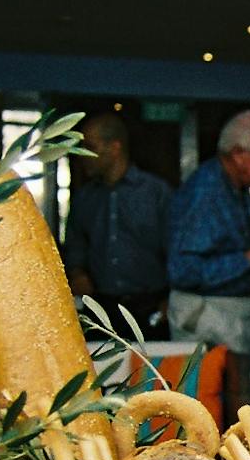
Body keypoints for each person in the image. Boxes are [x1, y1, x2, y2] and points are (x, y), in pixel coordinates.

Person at [167, 110, 250, 415]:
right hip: (208, 318)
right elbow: (183, 271)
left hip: (231, 318)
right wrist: (248, 258)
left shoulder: (236, 189)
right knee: (212, 410)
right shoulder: (205, 194)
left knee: (236, 405)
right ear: (239, 153)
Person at [62, 112, 173, 336]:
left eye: (89, 146)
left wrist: (170, 299)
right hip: (100, 308)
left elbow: (176, 249)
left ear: (114, 147)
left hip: (149, 306)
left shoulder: (155, 193)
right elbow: (75, 244)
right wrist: (77, 272)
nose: (82, 154)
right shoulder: (85, 198)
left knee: (149, 370)